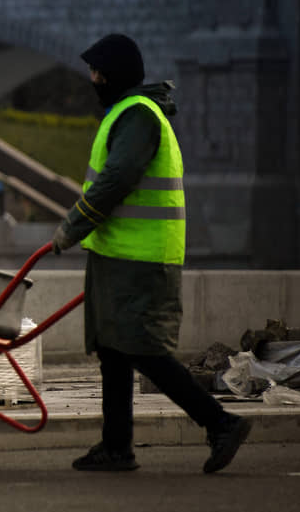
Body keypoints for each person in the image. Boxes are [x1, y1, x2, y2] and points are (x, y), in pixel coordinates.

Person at [51, 33, 251, 473]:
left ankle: (220, 423)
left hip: (141, 259)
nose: (92, 78)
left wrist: (72, 225)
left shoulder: (138, 117)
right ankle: (117, 447)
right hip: (118, 256)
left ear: (112, 74)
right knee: (114, 351)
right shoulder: (125, 114)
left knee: (142, 350)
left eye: (97, 71)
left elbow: (117, 179)